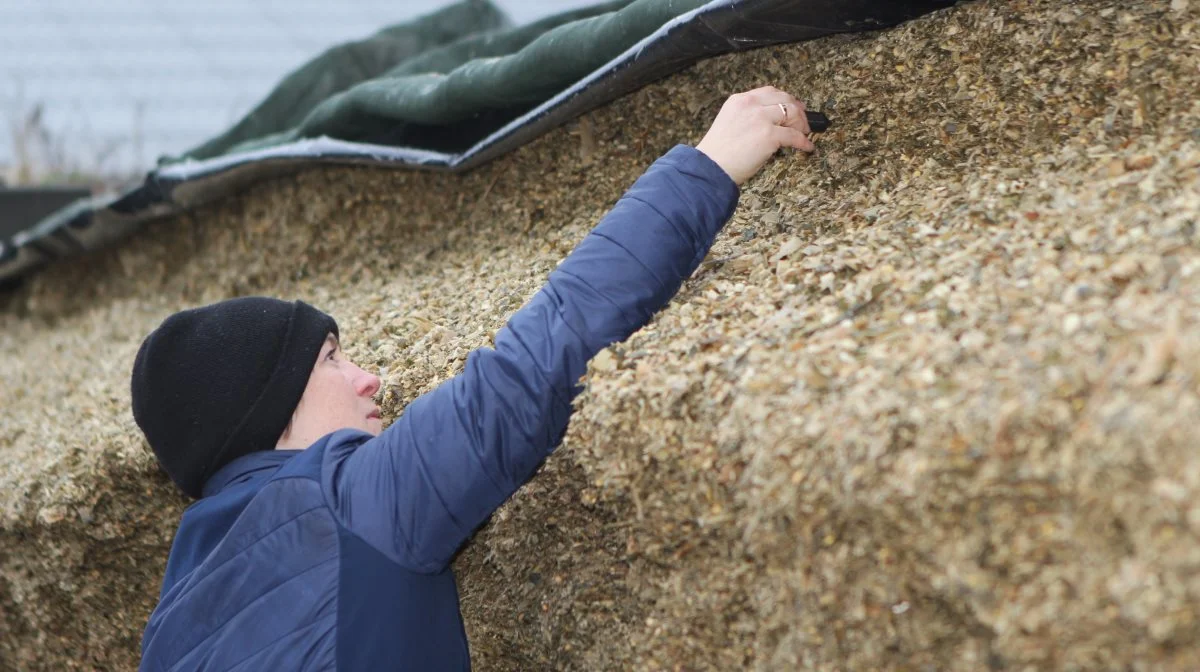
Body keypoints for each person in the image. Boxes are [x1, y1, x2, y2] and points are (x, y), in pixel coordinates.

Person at [132, 86, 815, 671]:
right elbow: (536, 362)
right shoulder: (348, 506)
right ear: (267, 404)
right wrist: (709, 164)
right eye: (332, 359)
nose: (372, 379)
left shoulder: (166, 629)